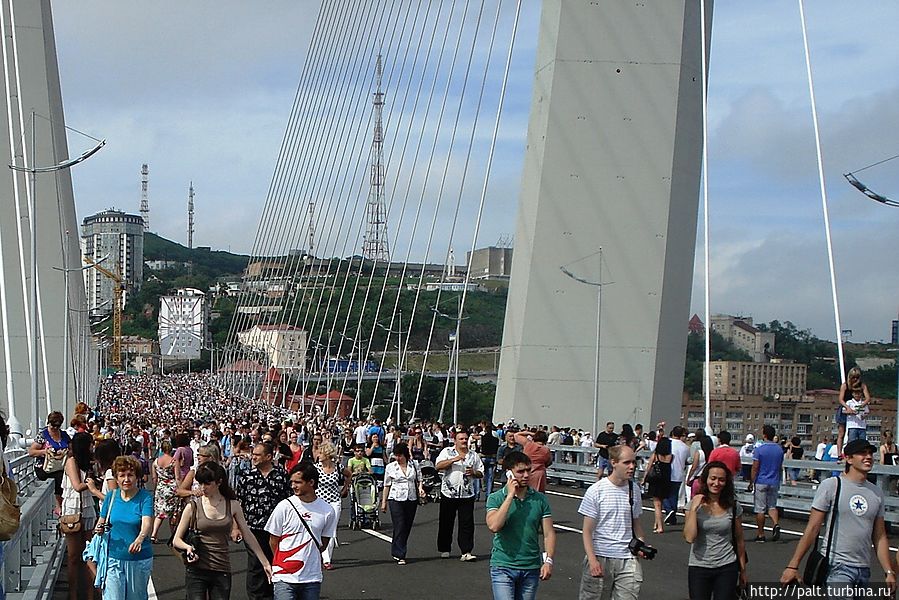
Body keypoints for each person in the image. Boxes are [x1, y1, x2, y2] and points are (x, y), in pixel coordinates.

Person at [780, 439, 896, 594]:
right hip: (837, 566)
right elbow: (813, 528)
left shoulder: (876, 493)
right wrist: (793, 565)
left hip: (863, 569)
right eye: (862, 453)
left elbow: (880, 536)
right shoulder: (832, 485)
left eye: (870, 453)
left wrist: (888, 572)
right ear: (848, 458)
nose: (868, 457)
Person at [173, 463, 273, 599]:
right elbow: (176, 540)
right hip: (197, 570)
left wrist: (265, 562)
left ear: (219, 482)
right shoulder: (193, 506)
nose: (203, 488)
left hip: (221, 569)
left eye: (207, 484)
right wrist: (188, 547)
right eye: (201, 483)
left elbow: (248, 534)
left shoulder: (233, 505)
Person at [578, 445, 651, 600]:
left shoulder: (634, 489)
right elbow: (587, 531)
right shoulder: (596, 491)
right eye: (627, 463)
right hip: (601, 556)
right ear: (613, 462)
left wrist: (641, 545)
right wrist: (592, 560)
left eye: (634, 462)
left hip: (628, 559)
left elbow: (636, 524)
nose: (632, 467)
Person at [486, 451, 555, 600]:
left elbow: (548, 533)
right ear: (509, 473)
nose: (526, 475)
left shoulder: (540, 499)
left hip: (530, 567)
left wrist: (548, 560)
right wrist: (510, 496)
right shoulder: (496, 498)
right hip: (503, 566)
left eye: (528, 470)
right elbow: (494, 526)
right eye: (520, 471)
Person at [265, 462, 338, 600]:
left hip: (311, 577)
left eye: (298, 482)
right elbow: (273, 540)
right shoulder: (284, 506)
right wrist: (284, 561)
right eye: (291, 482)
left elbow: (323, 542)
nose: (293, 486)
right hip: (284, 576)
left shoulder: (327, 510)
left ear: (311, 482)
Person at [683, 461, 748, 599]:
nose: (716, 483)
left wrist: (742, 571)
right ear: (706, 479)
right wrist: (694, 508)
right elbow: (689, 537)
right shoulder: (694, 505)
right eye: (713, 478)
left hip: (726, 565)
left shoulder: (733, 506)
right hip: (699, 566)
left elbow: (739, 540)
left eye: (721, 480)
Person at [93, 456, 154, 600]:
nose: (126, 479)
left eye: (130, 475)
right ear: (116, 478)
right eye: (122, 475)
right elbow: (101, 521)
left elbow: (146, 523)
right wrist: (99, 529)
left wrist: (139, 539)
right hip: (113, 558)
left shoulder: (144, 497)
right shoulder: (111, 497)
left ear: (136, 477)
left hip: (138, 559)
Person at [239, 441, 291, 600]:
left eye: (257, 455)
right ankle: (256, 597)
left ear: (269, 457)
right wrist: (236, 527)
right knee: (255, 564)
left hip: (276, 529)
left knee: (274, 561)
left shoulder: (281, 475)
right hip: (253, 528)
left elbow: (289, 501)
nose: (253, 457)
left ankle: (272, 593)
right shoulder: (247, 476)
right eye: (253, 454)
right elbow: (239, 503)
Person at [61, 432, 100, 600]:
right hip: (73, 509)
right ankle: (73, 594)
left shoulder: (88, 462)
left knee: (89, 553)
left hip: (87, 508)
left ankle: (90, 593)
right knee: (74, 555)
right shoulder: (71, 461)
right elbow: (77, 486)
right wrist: (93, 484)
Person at [435, 429, 484, 561]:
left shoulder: (473, 455)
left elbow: (481, 472)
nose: (463, 441)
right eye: (461, 439)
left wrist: (474, 472)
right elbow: (438, 466)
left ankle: (466, 551)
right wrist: (454, 459)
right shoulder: (447, 452)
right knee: (446, 521)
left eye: (465, 439)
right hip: (449, 493)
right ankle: (445, 548)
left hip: (467, 494)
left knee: (467, 523)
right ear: (455, 441)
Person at [380, 442, 425, 564]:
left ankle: (397, 547)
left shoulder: (414, 465)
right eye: (396, 455)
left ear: (405, 455)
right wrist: (384, 502)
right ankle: (400, 553)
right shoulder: (391, 467)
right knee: (399, 524)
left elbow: (419, 479)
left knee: (407, 525)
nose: (398, 458)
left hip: (411, 497)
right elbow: (386, 485)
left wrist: (420, 489)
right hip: (396, 498)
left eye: (400, 455)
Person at [29, 411, 71, 514]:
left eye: (57, 426)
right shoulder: (43, 435)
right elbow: (31, 452)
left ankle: (69, 503)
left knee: (68, 474)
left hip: (60, 465)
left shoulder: (64, 435)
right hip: (44, 467)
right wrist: (45, 451)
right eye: (53, 425)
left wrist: (64, 452)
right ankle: (58, 505)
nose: (55, 428)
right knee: (60, 477)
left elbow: (72, 449)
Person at [315, 442, 347, 570]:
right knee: (318, 528)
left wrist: (345, 489)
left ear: (327, 454)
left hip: (334, 501)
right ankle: (318, 554)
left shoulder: (338, 467)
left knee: (331, 530)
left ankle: (327, 559)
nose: (318, 455)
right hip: (319, 501)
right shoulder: (316, 468)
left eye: (321, 452)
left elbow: (348, 474)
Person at [748, 425, 783, 542]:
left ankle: (761, 534)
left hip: (761, 480)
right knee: (772, 506)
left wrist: (751, 481)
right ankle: (776, 523)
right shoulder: (779, 450)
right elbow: (780, 466)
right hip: (774, 480)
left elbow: (755, 467)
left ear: (764, 435)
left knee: (760, 509)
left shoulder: (759, 450)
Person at [641, 436, 672, 534]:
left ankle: (660, 526)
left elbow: (649, 468)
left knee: (657, 505)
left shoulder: (655, 455)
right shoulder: (671, 456)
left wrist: (644, 479)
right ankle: (656, 523)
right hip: (666, 480)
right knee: (661, 503)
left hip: (656, 481)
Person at [150, 439, 177, 543]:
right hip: (171, 487)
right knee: (173, 513)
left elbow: (154, 477)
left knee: (160, 513)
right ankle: (174, 535)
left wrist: (155, 488)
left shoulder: (155, 461)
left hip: (161, 487)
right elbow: (178, 476)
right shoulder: (174, 461)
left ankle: (154, 534)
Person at [665, 426, 690, 526]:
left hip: (668, 472)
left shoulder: (668, 443)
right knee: (674, 495)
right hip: (679, 473)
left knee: (664, 494)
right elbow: (688, 460)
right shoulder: (685, 447)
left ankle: (669, 510)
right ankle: (672, 515)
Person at [479, 424, 499, 499]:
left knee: (482, 474)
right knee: (490, 477)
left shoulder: (483, 438)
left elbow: (480, 446)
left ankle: (481, 489)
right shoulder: (495, 439)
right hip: (492, 457)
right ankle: (488, 493)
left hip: (484, 456)